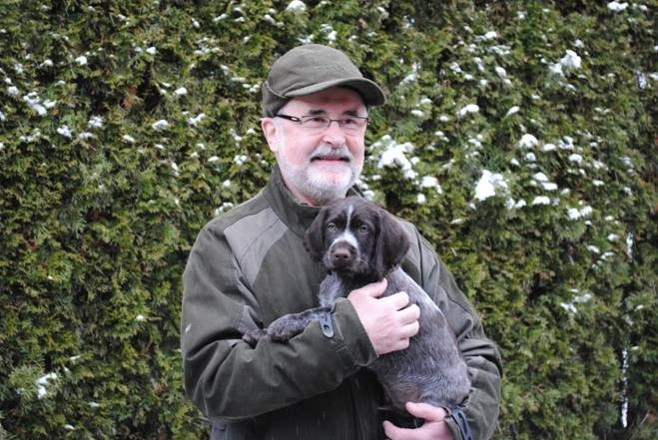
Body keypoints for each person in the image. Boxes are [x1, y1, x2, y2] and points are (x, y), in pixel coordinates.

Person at [181, 44, 502, 440]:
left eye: (351, 120)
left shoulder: (402, 240)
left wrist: (458, 427)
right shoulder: (229, 242)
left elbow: (477, 354)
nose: (336, 137)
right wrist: (348, 335)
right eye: (315, 118)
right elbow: (214, 384)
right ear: (272, 133)